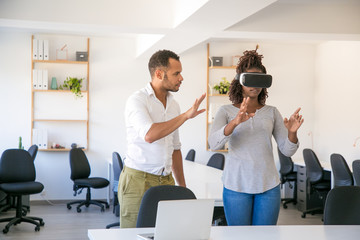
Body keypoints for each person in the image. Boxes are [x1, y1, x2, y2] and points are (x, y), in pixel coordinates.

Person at [208, 46, 304, 226]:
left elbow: (287, 150)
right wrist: (236, 121)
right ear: (240, 81)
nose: (255, 85)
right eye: (250, 79)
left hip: (268, 186)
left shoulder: (272, 112)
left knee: (265, 237)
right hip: (236, 185)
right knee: (239, 237)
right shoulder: (226, 111)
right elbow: (213, 143)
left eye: (260, 80)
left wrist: (292, 133)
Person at [119, 49, 206, 228]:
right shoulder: (137, 100)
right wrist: (185, 116)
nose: (181, 78)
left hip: (166, 180)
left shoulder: (173, 105)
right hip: (137, 180)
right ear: (159, 73)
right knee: (132, 236)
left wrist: (183, 188)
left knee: (167, 233)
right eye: (177, 73)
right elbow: (150, 135)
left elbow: (175, 148)